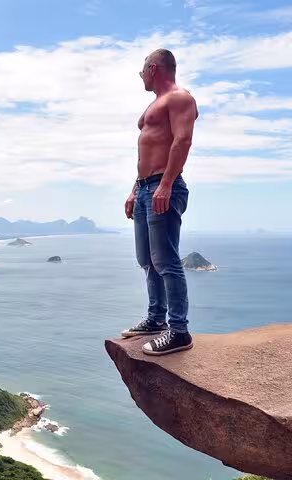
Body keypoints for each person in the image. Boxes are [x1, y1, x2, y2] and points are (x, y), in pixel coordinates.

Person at [120, 49, 199, 356]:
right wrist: (134, 189)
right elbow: (148, 154)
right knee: (148, 260)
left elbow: (182, 141)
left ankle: (179, 331)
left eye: (142, 70)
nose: (141, 76)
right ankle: (156, 319)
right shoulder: (155, 104)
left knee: (166, 260)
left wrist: (165, 185)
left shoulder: (180, 98)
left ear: (153, 69)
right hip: (145, 188)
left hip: (163, 187)